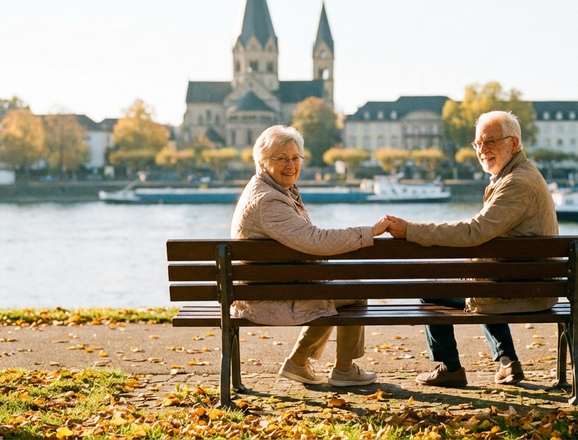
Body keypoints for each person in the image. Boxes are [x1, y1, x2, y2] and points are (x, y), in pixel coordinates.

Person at [386, 110, 559, 387]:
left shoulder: (516, 183)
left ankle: (450, 368)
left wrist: (410, 231)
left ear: (514, 143)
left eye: (490, 141)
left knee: (432, 291)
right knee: (479, 279)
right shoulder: (521, 174)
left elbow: (474, 231)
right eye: (478, 143)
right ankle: (507, 362)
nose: (482, 149)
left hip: (524, 290)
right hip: (527, 283)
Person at [230, 125, 389, 387]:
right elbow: (314, 240)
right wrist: (368, 233)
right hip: (267, 296)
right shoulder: (269, 200)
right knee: (355, 292)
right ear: (262, 161)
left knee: (332, 288)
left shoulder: (268, 188)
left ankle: (299, 362)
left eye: (295, 158)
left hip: (272, 285)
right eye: (281, 158)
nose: (291, 165)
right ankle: (342, 370)